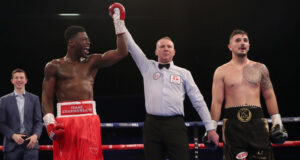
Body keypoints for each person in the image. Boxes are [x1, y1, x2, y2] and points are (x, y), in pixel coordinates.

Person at [109, 3, 219, 159]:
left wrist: (211, 128)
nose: (166, 48)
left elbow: (198, 102)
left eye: (169, 46)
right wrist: (118, 20)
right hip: (152, 125)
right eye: (162, 46)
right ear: (156, 51)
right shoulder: (147, 67)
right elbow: (131, 46)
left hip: (175, 125)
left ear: (174, 51)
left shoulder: (184, 73)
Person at [41, 4, 128, 160]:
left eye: (88, 39)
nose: (88, 42)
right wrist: (49, 123)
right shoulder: (54, 66)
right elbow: (46, 97)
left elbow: (122, 52)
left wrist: (118, 22)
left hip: (88, 119)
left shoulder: (92, 62)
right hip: (64, 121)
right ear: (71, 43)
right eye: (84, 39)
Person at [210, 29, 288, 160]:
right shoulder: (221, 71)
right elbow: (217, 101)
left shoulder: (260, 68)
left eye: (245, 40)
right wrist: (211, 128)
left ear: (249, 46)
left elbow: (269, 96)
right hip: (233, 124)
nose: (242, 43)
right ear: (229, 46)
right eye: (238, 40)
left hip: (257, 122)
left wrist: (277, 122)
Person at [0, 68, 43, 160]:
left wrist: (35, 136)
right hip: (11, 146)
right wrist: (13, 135)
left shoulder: (34, 99)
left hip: (30, 144)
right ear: (12, 81)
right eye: (16, 78)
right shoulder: (3, 100)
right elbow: (1, 123)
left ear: (26, 80)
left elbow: (39, 121)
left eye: (21, 77)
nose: (19, 80)